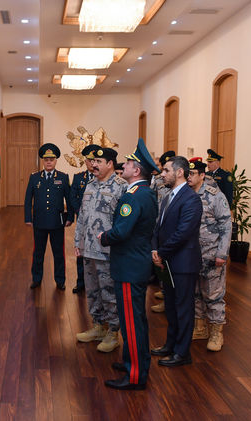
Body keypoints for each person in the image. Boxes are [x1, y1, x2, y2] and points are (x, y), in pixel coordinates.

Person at [98, 138, 159, 390]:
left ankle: (135, 376)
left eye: (129, 163)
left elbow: (121, 232)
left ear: (137, 170)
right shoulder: (146, 193)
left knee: (132, 323)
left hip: (129, 266)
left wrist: (104, 237)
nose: (123, 165)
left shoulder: (133, 197)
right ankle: (135, 362)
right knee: (136, 320)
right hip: (137, 263)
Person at [151, 156, 203, 367]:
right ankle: (170, 345)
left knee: (183, 309)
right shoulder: (167, 197)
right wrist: (155, 249)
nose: (162, 174)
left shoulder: (191, 199)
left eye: (166, 170)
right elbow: (158, 227)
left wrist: (161, 253)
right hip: (167, 261)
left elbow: (183, 233)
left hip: (183, 263)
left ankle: (182, 353)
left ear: (179, 172)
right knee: (171, 308)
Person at [74, 148, 127, 353]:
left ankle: (113, 332)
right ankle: (98, 326)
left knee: (109, 292)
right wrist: (78, 241)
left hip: (108, 252)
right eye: (93, 161)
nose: (94, 165)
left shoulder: (121, 187)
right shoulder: (90, 184)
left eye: (99, 161)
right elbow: (83, 216)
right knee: (93, 291)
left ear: (110, 164)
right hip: (88, 249)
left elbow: (123, 223)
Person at [187, 158, 231, 352]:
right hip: (191, 255)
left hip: (212, 255)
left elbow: (226, 226)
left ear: (202, 175)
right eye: (187, 174)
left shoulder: (215, 196)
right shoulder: (186, 195)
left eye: (192, 174)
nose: (189, 177)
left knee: (213, 295)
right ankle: (200, 327)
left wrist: (222, 254)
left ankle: (216, 333)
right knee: (195, 293)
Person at [24, 143, 73, 290]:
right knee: (38, 253)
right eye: (46, 160)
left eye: (51, 159)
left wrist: (70, 217)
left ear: (56, 160)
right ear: (43, 161)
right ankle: (36, 279)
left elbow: (69, 200)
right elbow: (28, 200)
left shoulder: (63, 177)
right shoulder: (34, 178)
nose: (49, 162)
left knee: (59, 253)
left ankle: (60, 280)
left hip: (57, 223)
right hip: (39, 222)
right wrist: (28, 218)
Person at [70, 144, 100, 294]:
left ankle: (98, 284)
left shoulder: (102, 178)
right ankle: (81, 282)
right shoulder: (78, 178)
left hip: (99, 223)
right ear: (85, 161)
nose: (92, 163)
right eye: (89, 160)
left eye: (95, 160)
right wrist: (81, 212)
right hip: (83, 222)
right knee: (81, 251)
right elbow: (73, 197)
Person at [150, 150, 175, 313]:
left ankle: (171, 299)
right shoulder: (158, 180)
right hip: (160, 225)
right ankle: (165, 294)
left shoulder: (183, 183)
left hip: (175, 227)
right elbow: (152, 200)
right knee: (161, 263)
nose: (163, 172)